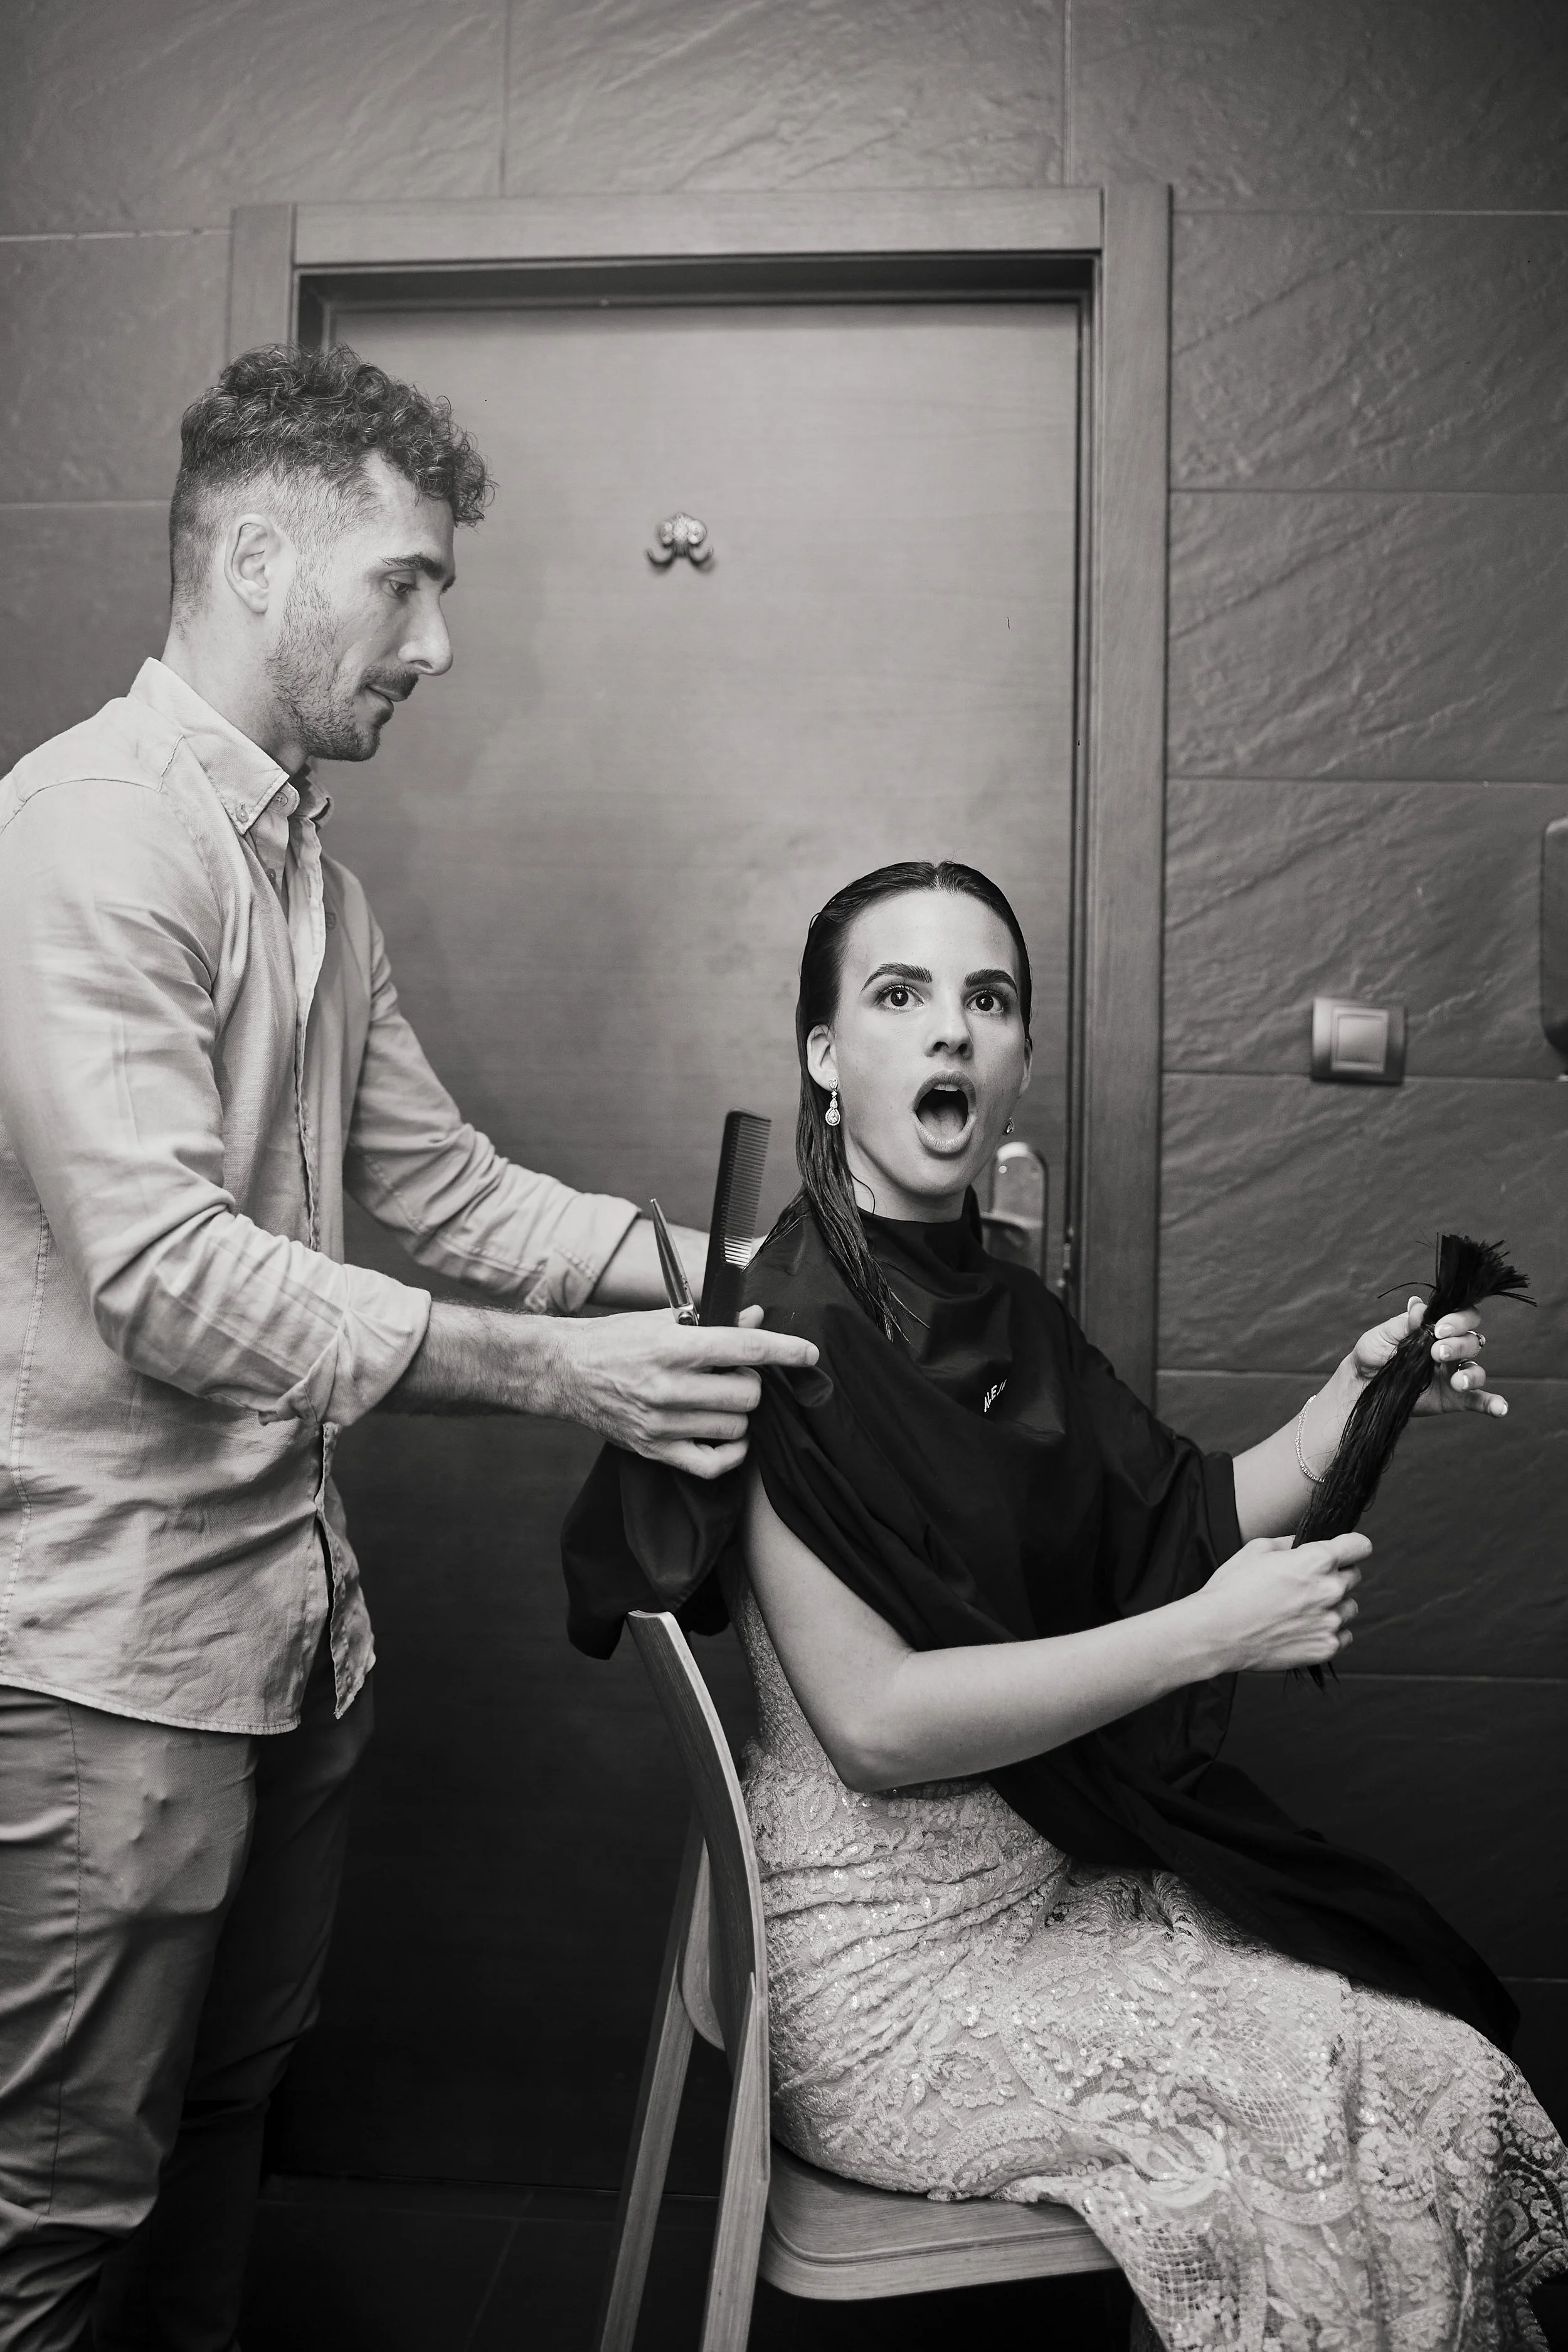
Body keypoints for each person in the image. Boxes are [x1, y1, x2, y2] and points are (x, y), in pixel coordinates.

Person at [0, 343, 816, 2352]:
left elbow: (443, 1189)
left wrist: (727, 1258)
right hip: (108, 1665)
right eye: (407, 583)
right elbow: (170, 1272)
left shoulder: (315, 885)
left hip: (292, 1642)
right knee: (56, 2206)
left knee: (220, 2132)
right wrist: (563, 1377)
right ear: (257, 557)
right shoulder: (91, 833)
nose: (437, 641)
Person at [564, 860, 1568, 2350]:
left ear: (1019, 1059)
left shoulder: (1006, 1309)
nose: (951, 1033)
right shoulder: (779, 1338)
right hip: (890, 1984)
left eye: (987, 1000)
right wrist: (1211, 1634)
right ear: (825, 1060)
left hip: (1042, 1895)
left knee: (1439, 2069)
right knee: (1339, 2115)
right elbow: (879, 1728)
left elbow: (1187, 1516)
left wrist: (1362, 1399)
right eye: (898, 998)